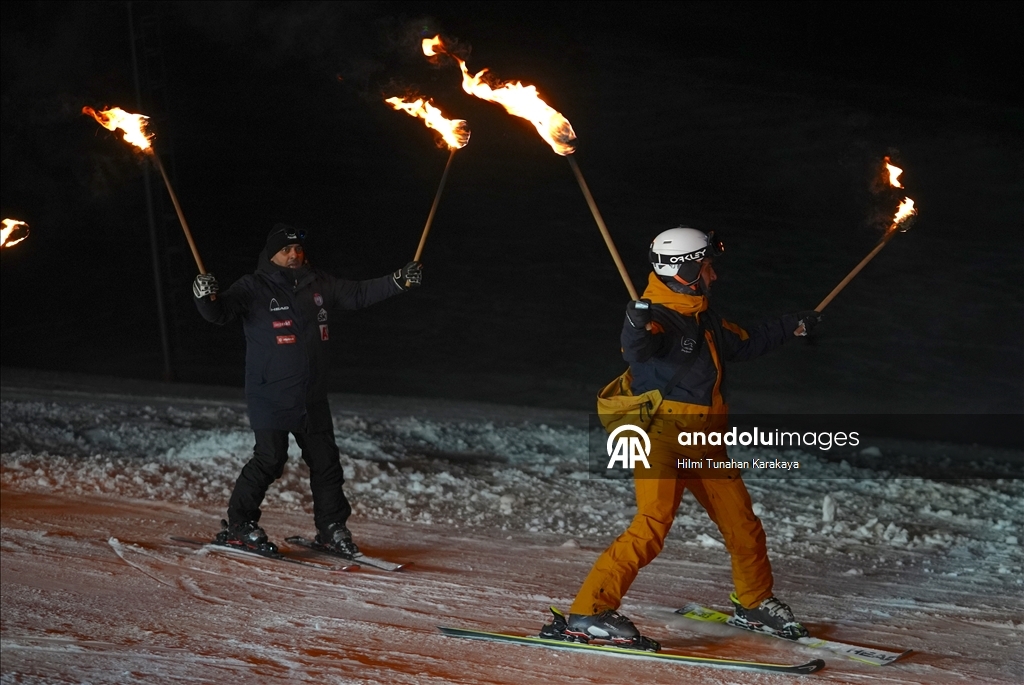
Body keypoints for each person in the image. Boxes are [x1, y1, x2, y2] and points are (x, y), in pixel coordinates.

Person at [543, 226, 821, 650]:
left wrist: (793, 325)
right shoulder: (656, 317)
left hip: (705, 442)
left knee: (743, 524)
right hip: (660, 438)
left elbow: (745, 343)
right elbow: (638, 349)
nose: (714, 275)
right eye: (707, 267)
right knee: (651, 525)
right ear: (686, 271)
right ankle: (589, 611)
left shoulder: (703, 316)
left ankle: (753, 602)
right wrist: (635, 323)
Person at [192, 223, 422, 557]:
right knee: (270, 459)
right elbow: (219, 312)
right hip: (270, 393)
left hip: (311, 395)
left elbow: (358, 294)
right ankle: (240, 524)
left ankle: (331, 528)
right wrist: (204, 296)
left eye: (298, 249)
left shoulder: (319, 283)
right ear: (272, 255)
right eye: (286, 250)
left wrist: (398, 280)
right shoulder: (254, 286)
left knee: (326, 462)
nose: (294, 254)